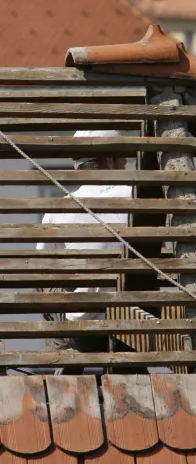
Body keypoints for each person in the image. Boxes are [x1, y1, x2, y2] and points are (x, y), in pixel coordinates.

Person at [36, 129, 132, 353]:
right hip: (132, 320)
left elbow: (43, 270)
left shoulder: (57, 209)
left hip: (80, 327)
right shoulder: (134, 196)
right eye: (124, 162)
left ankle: (62, 357)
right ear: (109, 161)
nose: (127, 168)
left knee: (45, 286)